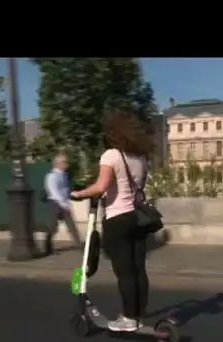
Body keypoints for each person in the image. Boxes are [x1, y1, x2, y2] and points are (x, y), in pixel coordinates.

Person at [70, 107, 153, 332]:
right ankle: (139, 313)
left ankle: (128, 318)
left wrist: (78, 193)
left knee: (124, 271)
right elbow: (136, 188)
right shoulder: (140, 157)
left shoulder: (111, 155)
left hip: (117, 218)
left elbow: (101, 186)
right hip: (137, 219)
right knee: (138, 270)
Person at [43, 153, 82, 255]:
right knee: (52, 227)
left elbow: (65, 189)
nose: (67, 165)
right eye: (65, 162)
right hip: (55, 203)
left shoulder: (64, 175)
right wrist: (63, 203)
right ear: (58, 163)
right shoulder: (51, 176)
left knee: (71, 225)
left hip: (64, 203)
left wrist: (68, 199)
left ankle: (80, 246)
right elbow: (53, 191)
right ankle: (47, 248)